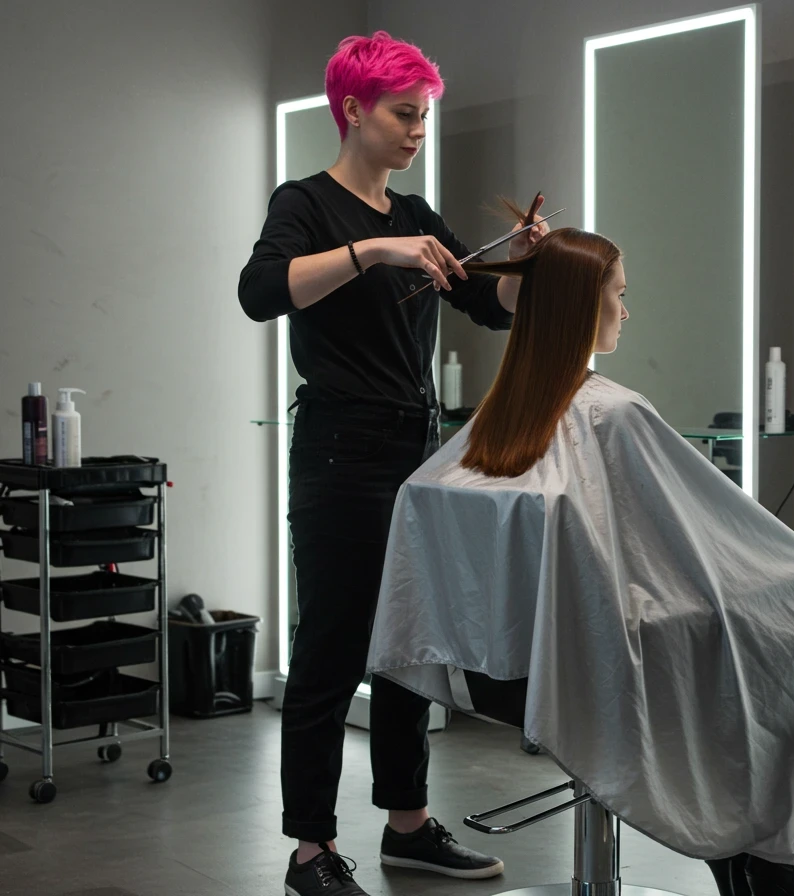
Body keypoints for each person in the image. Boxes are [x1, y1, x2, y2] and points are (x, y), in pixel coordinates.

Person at [366, 228, 794, 896]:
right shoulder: (613, 412)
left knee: (730, 638)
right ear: (578, 310)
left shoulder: (499, 416)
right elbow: (702, 539)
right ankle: (766, 855)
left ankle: (752, 851)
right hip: (593, 658)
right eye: (619, 296)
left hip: (503, 669)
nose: (627, 311)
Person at [237, 31, 547, 896]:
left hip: (420, 450)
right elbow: (260, 292)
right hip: (341, 450)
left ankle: (407, 826)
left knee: (413, 641)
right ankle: (310, 852)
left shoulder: (418, 215)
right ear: (353, 111)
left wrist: (530, 264)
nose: (417, 130)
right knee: (333, 647)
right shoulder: (305, 203)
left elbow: (490, 306)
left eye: (423, 115)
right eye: (404, 114)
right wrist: (374, 251)